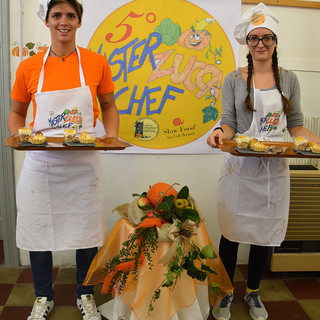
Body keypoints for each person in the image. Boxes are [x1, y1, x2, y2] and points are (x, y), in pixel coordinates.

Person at [207, 3, 320, 320]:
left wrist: (317, 142)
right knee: (231, 233)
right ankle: (226, 293)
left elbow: (295, 124)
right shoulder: (233, 79)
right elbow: (229, 121)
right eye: (254, 38)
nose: (260, 44)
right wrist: (219, 132)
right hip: (241, 169)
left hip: (273, 168)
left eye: (267, 38)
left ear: (274, 41)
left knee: (264, 233)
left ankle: (253, 292)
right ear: (246, 42)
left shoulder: (289, 79)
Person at [7, 1, 119, 319]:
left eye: (71, 16)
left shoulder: (96, 62)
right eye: (57, 15)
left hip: (84, 164)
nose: (64, 21)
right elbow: (16, 113)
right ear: (47, 21)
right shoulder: (29, 66)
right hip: (42, 163)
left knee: (86, 231)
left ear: (79, 22)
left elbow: (109, 105)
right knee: (37, 228)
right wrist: (19, 136)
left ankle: (85, 294)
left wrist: (110, 135)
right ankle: (43, 296)